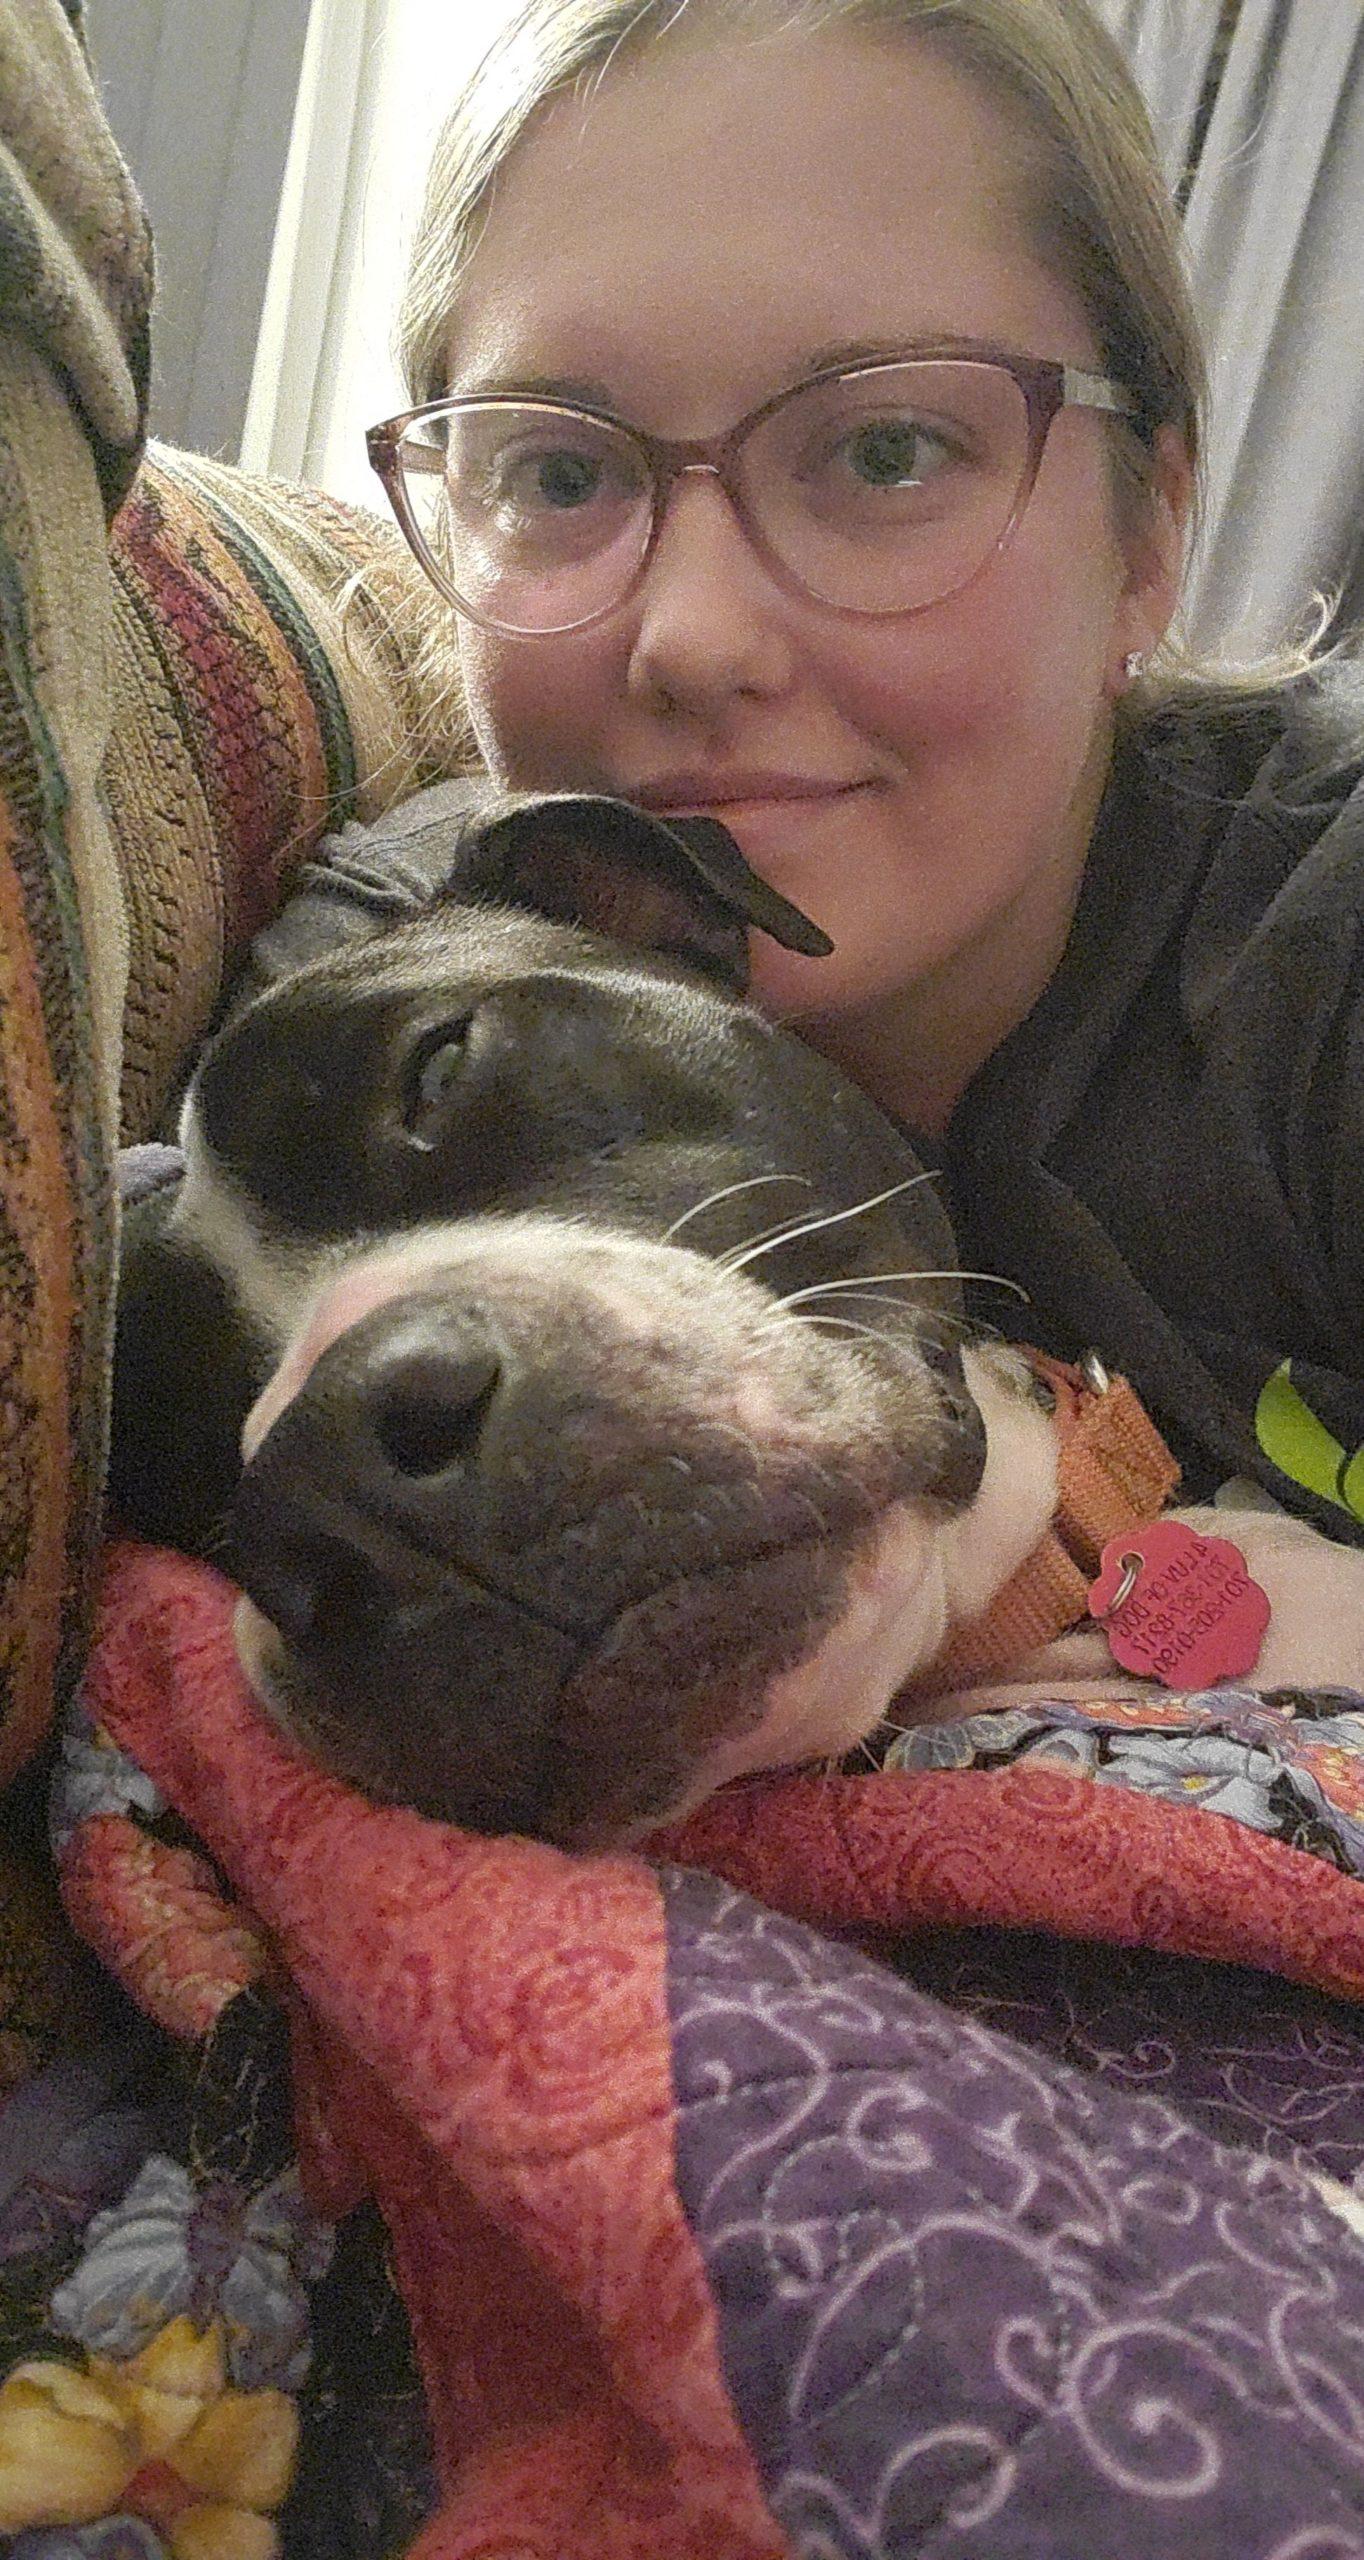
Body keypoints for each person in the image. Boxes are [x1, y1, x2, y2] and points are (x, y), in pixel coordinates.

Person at [289, 0, 1364, 1544]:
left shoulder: (1318, 968)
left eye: (884, 454)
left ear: (1147, 536)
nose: (695, 636)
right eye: (562, 474)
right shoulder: (395, 990)